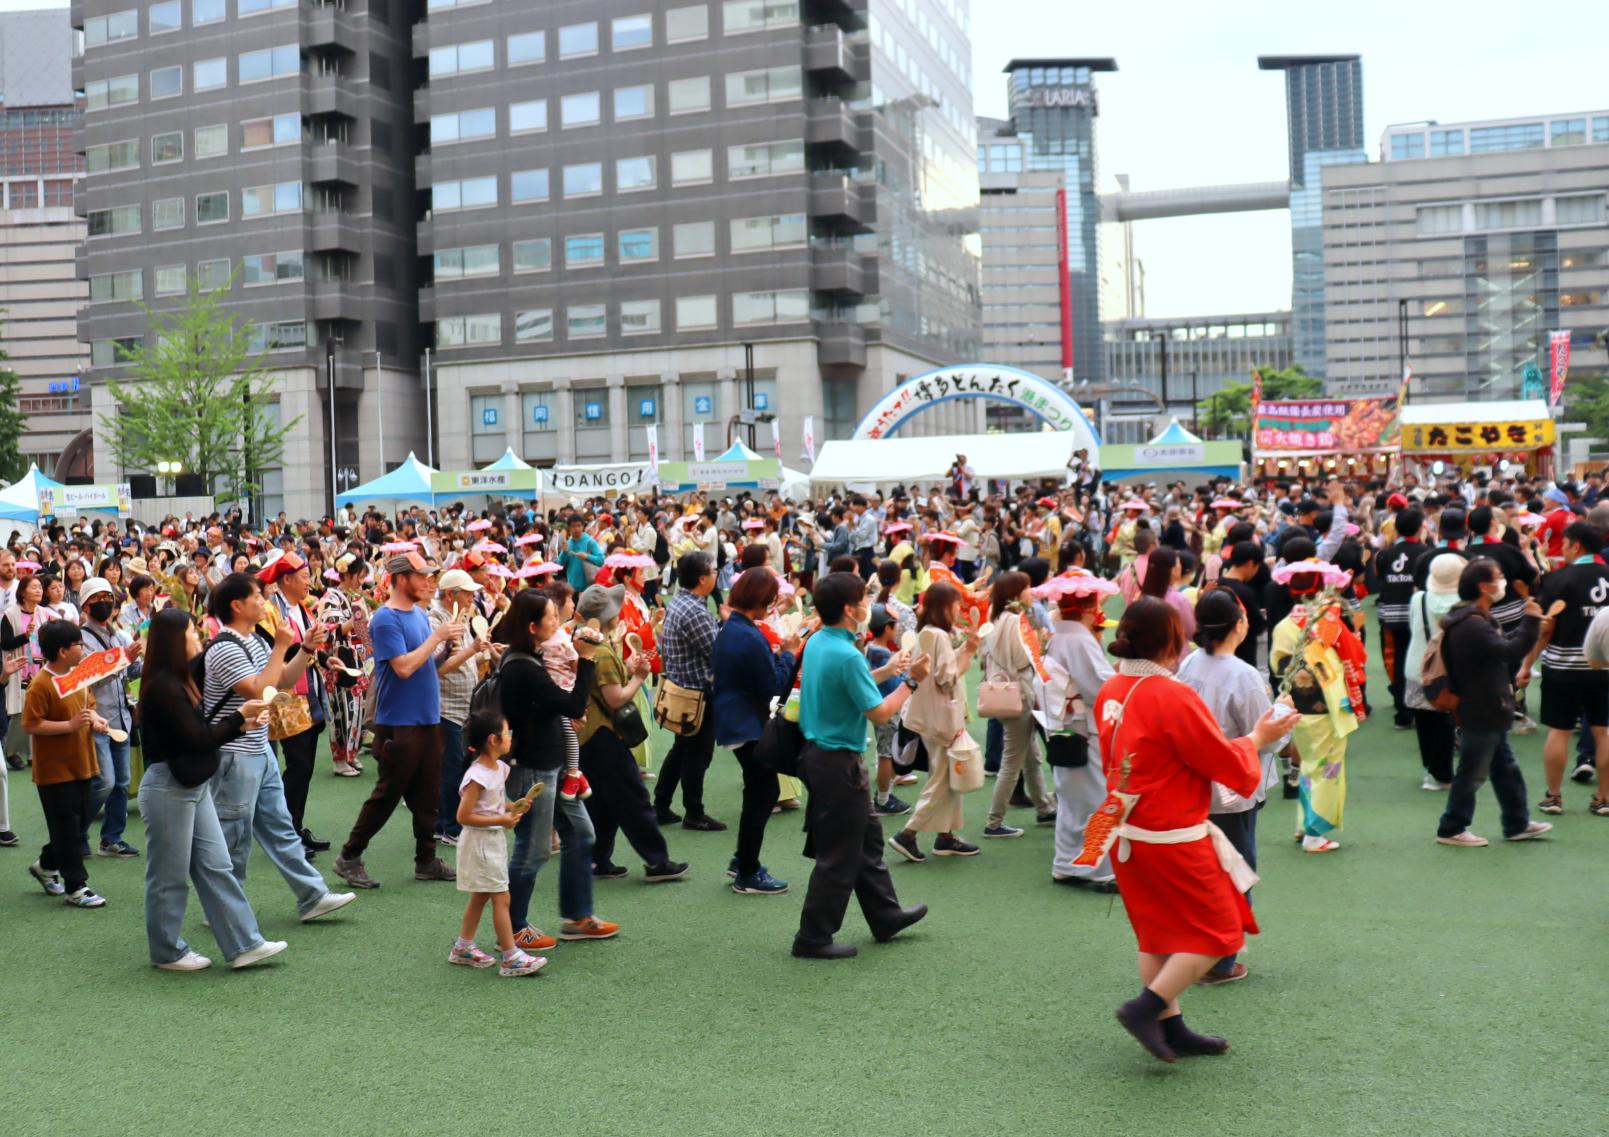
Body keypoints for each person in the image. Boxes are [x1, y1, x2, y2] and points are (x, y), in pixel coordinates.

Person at [1093, 598, 1290, 1063]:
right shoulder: (1170, 694)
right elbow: (1219, 759)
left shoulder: (1113, 686)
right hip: (1172, 831)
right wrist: (1258, 737)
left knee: (1156, 934)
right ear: (1170, 641)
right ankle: (1147, 1008)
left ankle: (1171, 1025)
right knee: (1221, 930)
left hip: (1129, 829)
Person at [136, 608, 300, 971]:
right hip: (169, 788)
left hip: (191, 785)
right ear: (175, 640)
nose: (198, 636)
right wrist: (239, 719)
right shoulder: (163, 687)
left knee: (217, 865)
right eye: (191, 632)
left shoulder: (179, 681)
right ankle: (167, 951)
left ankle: (244, 944)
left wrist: (240, 723)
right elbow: (195, 739)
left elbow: (199, 734)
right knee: (169, 875)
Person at [792, 571, 931, 960]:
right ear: (849, 609)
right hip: (838, 761)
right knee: (840, 853)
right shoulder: (848, 653)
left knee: (867, 839)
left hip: (819, 755)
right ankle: (813, 936)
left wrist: (889, 671)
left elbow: (848, 685)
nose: (868, 605)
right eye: (863, 600)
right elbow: (880, 712)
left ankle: (886, 915)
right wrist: (912, 681)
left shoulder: (819, 641)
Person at [203, 573, 356, 918]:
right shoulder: (225, 647)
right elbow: (260, 691)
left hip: (258, 749)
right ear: (236, 605)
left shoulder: (255, 640)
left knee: (281, 827)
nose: (264, 601)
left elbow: (283, 679)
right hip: (235, 753)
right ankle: (223, 909)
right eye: (257, 596)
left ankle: (312, 896)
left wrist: (306, 649)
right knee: (234, 835)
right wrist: (281, 647)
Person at [496, 588, 618, 949]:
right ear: (532, 626)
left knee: (581, 834)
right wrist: (587, 659)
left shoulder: (530, 657)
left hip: (550, 761)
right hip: (532, 766)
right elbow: (574, 704)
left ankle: (577, 916)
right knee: (532, 849)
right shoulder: (522, 665)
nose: (557, 621)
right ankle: (513, 928)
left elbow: (551, 706)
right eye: (551, 616)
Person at [1177, 590, 1285, 983]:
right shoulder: (1243, 675)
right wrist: (1283, 716)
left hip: (1194, 784)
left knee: (1202, 872)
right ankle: (1220, 959)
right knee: (1235, 871)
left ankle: (1195, 950)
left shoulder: (1190, 662)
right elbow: (1267, 739)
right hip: (1233, 786)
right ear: (1239, 625)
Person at [333, 553, 460, 888]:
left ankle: (426, 860)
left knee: (428, 795)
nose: (429, 582)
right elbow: (403, 668)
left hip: (425, 718)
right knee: (388, 793)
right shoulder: (386, 618)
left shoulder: (417, 614)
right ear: (402, 579)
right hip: (400, 722)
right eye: (422, 576)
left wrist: (448, 650)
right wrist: (438, 639)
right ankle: (349, 856)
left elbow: (424, 665)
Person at [573, 583, 687, 884]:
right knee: (632, 796)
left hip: (589, 736)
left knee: (601, 801)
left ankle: (597, 859)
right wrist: (638, 677)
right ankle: (657, 861)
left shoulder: (586, 642)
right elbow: (615, 698)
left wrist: (627, 667)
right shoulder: (601, 650)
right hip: (604, 734)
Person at [1436, 559, 1551, 846]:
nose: (1502, 582)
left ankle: (1517, 823)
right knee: (1473, 771)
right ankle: (1452, 827)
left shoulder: (1469, 619)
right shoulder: (1473, 624)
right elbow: (1509, 650)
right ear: (1483, 587)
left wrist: (1528, 626)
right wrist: (1531, 622)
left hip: (1485, 705)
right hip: (1482, 706)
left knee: (1504, 768)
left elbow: (1499, 647)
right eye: (1498, 577)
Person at [711, 566, 802, 895]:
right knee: (763, 791)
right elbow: (773, 686)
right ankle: (747, 870)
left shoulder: (734, 628)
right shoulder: (748, 634)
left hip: (736, 720)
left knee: (760, 790)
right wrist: (787, 655)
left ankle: (743, 860)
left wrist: (778, 655)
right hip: (745, 722)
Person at [887, 581, 983, 863]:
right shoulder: (938, 635)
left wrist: (964, 650)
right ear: (945, 607)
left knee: (948, 776)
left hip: (931, 717)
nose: (958, 610)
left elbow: (940, 671)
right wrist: (968, 652)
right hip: (942, 719)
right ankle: (908, 834)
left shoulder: (928, 632)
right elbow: (947, 678)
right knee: (943, 779)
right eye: (956, 605)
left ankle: (945, 835)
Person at [1520, 522, 1609, 815]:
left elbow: (1545, 629)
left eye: (1566, 545)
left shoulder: (1558, 579)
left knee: (1559, 731)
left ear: (1576, 545)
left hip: (1563, 666)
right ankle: (1604, 798)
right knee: (1603, 732)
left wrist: (1526, 665)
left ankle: (1554, 797)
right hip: (1604, 666)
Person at [448, 708, 545, 977]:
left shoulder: (499, 768)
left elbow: (493, 802)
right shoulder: (477, 776)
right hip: (480, 844)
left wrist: (513, 806)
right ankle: (511, 955)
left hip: (492, 842)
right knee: (502, 897)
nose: (510, 737)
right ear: (493, 740)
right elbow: (463, 815)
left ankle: (463, 947)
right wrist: (500, 820)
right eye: (506, 733)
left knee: (480, 895)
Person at [23, 619, 111, 908]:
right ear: (63, 651)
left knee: (74, 826)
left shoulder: (77, 676)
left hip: (82, 763)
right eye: (79, 645)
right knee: (69, 829)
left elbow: (88, 707)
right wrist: (70, 725)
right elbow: (31, 724)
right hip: (55, 772)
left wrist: (95, 719)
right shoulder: (41, 684)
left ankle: (46, 865)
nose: (83, 649)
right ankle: (76, 887)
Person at [1039, 575, 1117, 891]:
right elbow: (1100, 686)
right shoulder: (1078, 639)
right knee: (1096, 798)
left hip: (1062, 724)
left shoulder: (1058, 634)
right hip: (1084, 727)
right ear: (1090, 606)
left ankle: (1066, 863)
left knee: (1071, 799)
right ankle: (1097, 870)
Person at [258, 552, 331, 858]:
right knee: (297, 765)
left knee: (305, 766)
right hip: (287, 697)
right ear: (286, 579)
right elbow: (276, 654)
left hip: (308, 692)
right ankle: (286, 832)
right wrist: (308, 649)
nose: (308, 582)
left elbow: (308, 647)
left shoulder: (300, 607)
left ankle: (295, 827)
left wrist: (326, 658)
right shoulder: (269, 611)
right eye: (303, 577)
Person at [654, 551, 726, 831]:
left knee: (682, 750)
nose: (716, 575)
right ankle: (694, 813)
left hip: (681, 689)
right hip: (697, 693)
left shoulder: (681, 601)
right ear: (702, 579)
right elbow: (717, 652)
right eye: (713, 571)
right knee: (698, 755)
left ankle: (661, 805)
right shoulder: (695, 611)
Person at [981, 571, 1055, 837]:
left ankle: (1044, 808)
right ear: (1015, 593)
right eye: (1027, 587)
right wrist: (1041, 643)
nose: (1030, 592)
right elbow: (1022, 660)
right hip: (1019, 694)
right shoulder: (1014, 620)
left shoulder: (996, 618)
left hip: (1005, 693)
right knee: (1012, 762)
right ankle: (994, 822)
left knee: (1032, 757)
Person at [79, 576, 142, 859]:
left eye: (107, 598)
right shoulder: (80, 639)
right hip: (95, 718)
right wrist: (124, 660)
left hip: (121, 718)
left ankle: (111, 839)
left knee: (121, 782)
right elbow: (89, 678)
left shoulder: (120, 635)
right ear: (85, 605)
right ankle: (76, 832)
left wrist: (142, 658)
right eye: (97, 598)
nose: (104, 602)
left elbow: (133, 672)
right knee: (104, 781)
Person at [430, 568, 494, 848]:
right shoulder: (436, 621)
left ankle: (446, 823)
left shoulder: (459, 619)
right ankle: (449, 826)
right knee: (451, 770)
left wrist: (485, 651)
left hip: (462, 706)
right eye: (467, 593)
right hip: (446, 708)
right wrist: (473, 650)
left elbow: (465, 661)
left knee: (457, 767)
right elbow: (438, 668)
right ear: (450, 594)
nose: (471, 598)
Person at [1403, 554, 1464, 790]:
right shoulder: (1465, 603)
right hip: (1449, 670)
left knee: (1424, 722)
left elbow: (1413, 626)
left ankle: (1431, 770)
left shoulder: (1418, 598)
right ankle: (1443, 773)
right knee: (1446, 722)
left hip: (1419, 665)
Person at [863, 606, 912, 817]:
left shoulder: (871, 648)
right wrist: (908, 676)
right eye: (896, 624)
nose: (898, 627)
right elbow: (893, 685)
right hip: (888, 709)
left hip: (880, 707)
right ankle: (883, 800)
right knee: (886, 755)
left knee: (888, 753)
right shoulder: (884, 655)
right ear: (887, 628)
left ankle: (885, 796)